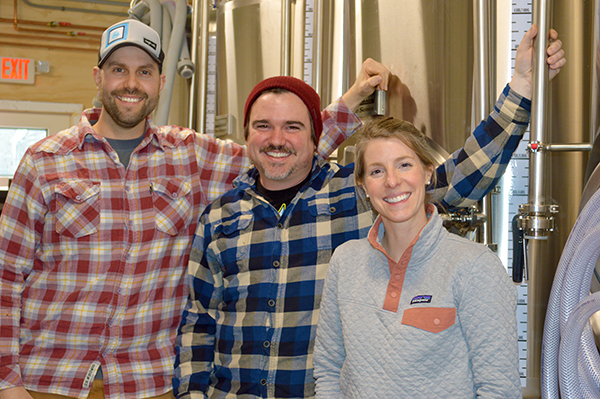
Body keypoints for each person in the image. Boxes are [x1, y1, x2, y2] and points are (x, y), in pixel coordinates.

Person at [0, 19, 391, 399]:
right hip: (49, 381)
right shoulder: (44, 161)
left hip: (149, 382)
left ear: (161, 82)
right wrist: (6, 380)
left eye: (145, 71)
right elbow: (5, 277)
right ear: (98, 77)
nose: (131, 83)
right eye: (118, 70)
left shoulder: (190, 155)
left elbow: (280, 153)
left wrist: (354, 97)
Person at [173, 26, 565, 399]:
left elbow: (462, 174)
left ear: (317, 136)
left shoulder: (357, 193)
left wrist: (522, 88)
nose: (277, 139)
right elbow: (198, 325)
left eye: (292, 127)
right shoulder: (220, 217)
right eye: (263, 126)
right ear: (246, 135)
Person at [313, 117, 521, 398]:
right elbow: (328, 369)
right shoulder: (345, 261)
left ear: (427, 172)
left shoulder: (473, 266)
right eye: (376, 171)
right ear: (362, 185)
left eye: (404, 165)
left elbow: (499, 389)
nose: (392, 181)